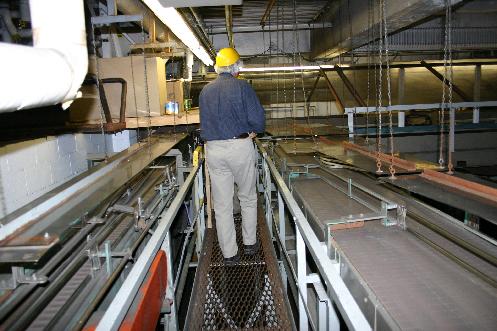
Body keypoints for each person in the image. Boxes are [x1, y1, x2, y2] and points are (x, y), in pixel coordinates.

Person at [199, 47, 265, 265]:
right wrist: (254, 130)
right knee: (247, 196)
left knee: (223, 203)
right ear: (236, 67)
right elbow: (258, 120)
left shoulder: (205, 91)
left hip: (214, 150)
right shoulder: (243, 87)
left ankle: (229, 254)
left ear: (218, 68)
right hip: (240, 147)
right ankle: (249, 243)